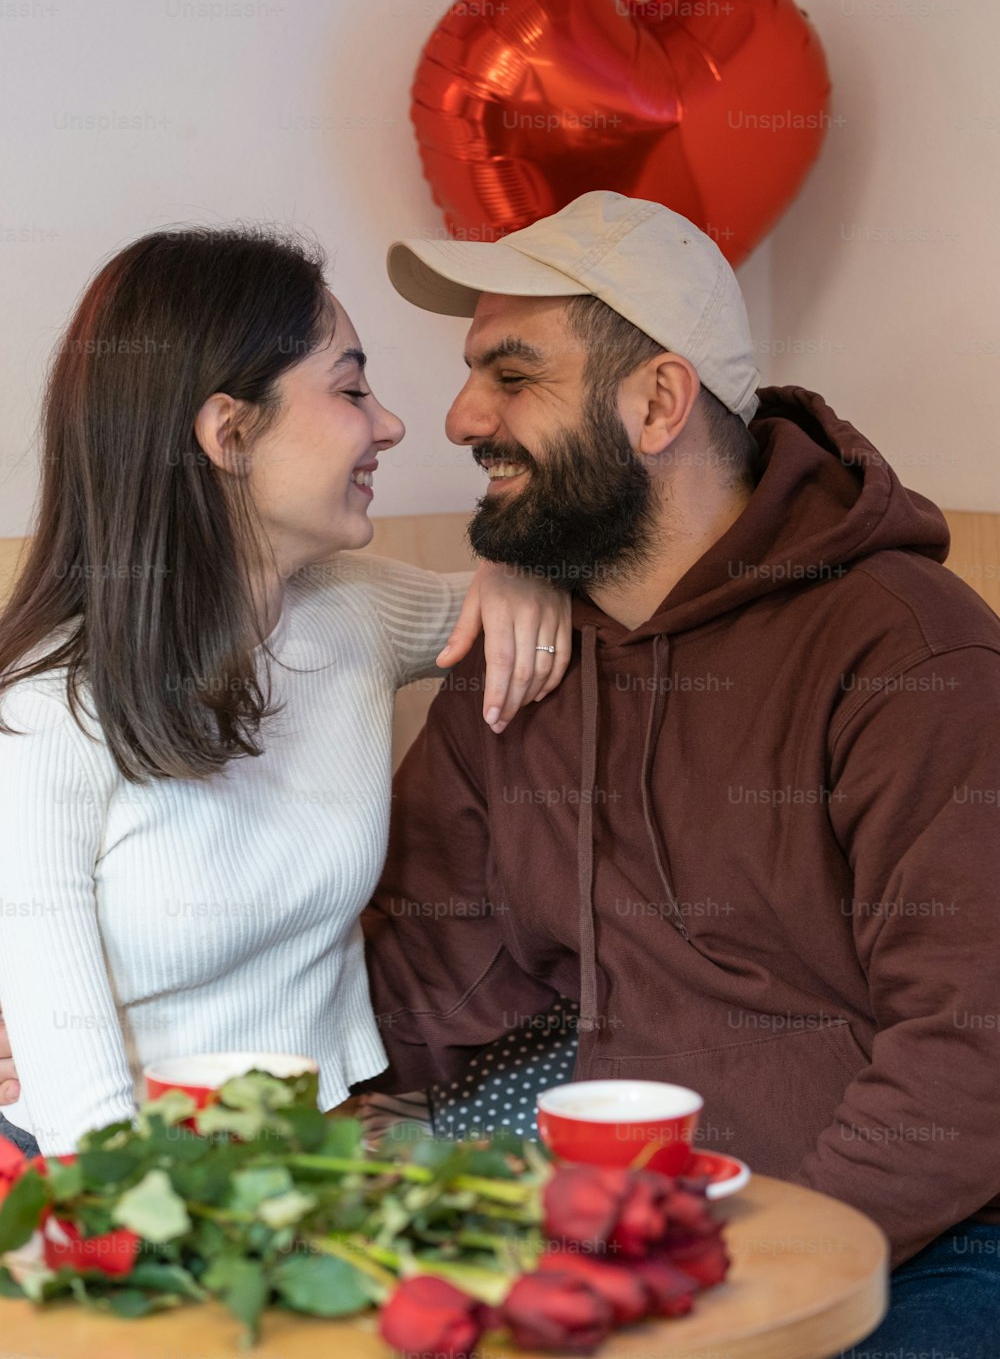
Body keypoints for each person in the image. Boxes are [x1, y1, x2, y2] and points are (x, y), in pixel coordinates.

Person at [358, 191, 1000, 1357]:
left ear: (657, 402)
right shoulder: (528, 655)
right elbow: (420, 976)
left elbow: (973, 1041)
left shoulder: (909, 652)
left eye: (513, 374)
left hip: (931, 1239)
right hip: (632, 1223)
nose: (460, 416)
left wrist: (755, 1272)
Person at [0, 223, 572, 1158]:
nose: (389, 425)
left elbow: (537, 601)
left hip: (317, 1148)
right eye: (350, 390)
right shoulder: (49, 707)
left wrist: (520, 568)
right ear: (230, 433)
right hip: (116, 1174)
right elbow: (76, 1106)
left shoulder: (354, 612)